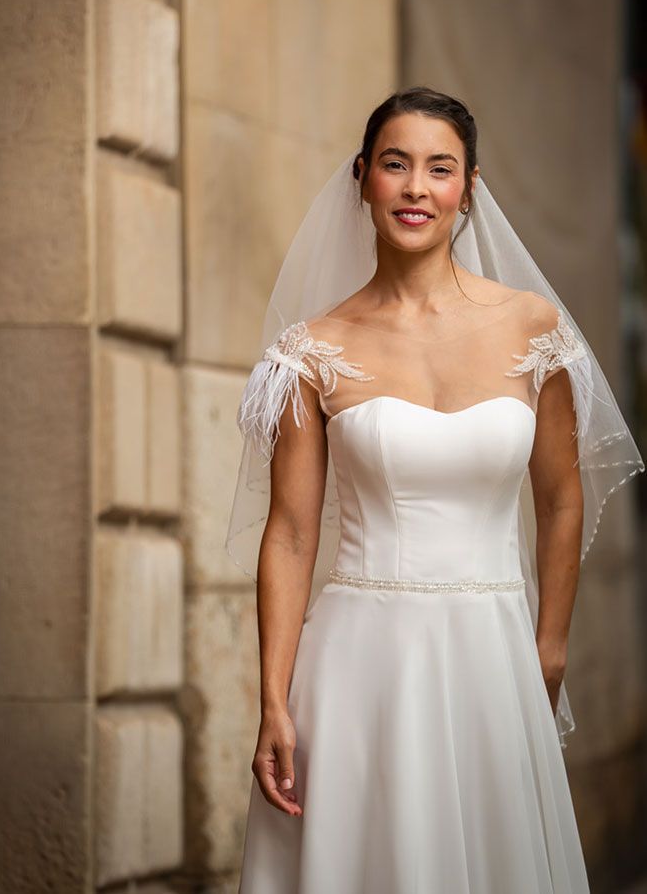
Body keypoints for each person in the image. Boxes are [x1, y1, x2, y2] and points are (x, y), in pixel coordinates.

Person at [225, 87, 645, 893]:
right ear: (362, 181)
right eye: (395, 164)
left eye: (439, 168)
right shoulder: (309, 352)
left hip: (493, 654)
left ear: (469, 189)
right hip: (357, 665)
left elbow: (560, 502)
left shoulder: (535, 328)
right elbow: (289, 534)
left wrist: (548, 649)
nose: (416, 187)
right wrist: (274, 700)